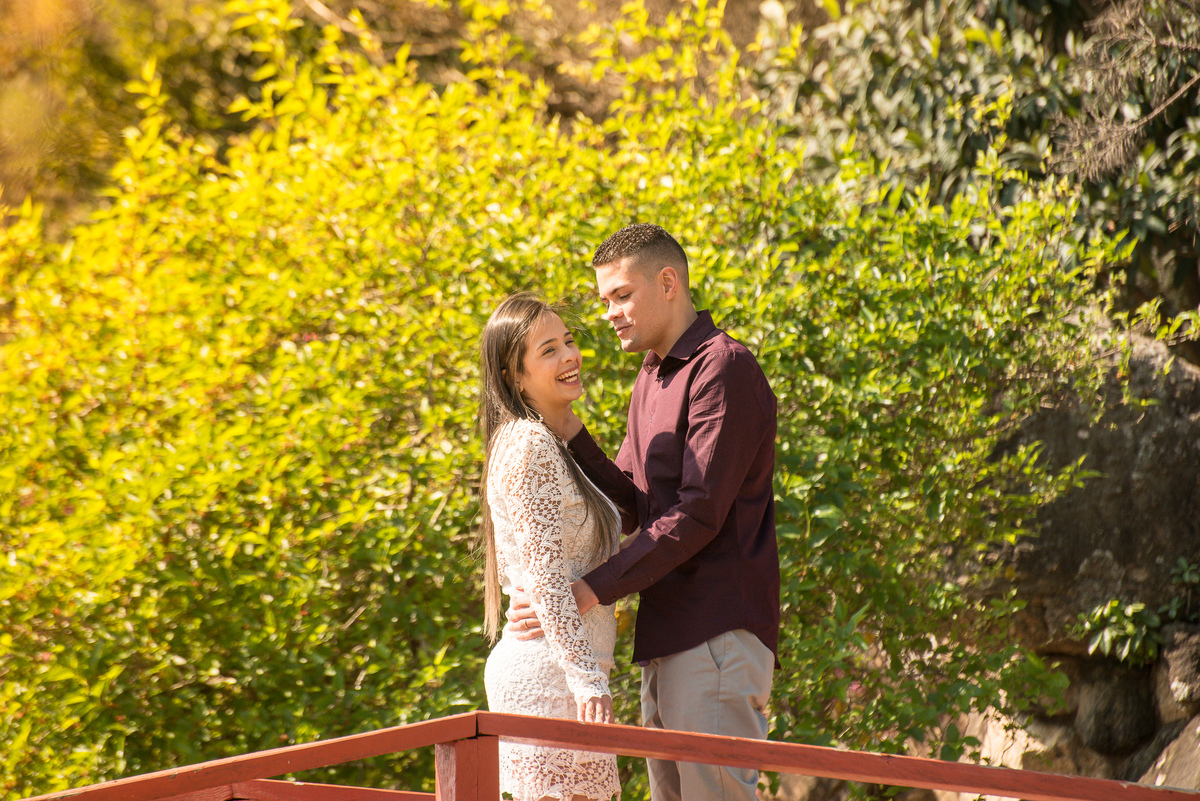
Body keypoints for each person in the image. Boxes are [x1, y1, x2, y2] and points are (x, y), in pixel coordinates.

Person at [508, 224, 780, 801]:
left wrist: (587, 590)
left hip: (717, 628)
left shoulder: (722, 369)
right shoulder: (651, 377)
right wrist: (572, 433)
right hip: (668, 633)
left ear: (668, 282)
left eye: (621, 295)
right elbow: (634, 504)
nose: (610, 312)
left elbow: (696, 514)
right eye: (604, 300)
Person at [478, 291, 623, 801]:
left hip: (568, 670)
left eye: (569, 341)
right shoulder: (529, 445)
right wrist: (586, 681)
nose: (569, 356)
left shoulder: (548, 443)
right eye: (548, 350)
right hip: (552, 676)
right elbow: (540, 575)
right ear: (515, 377)